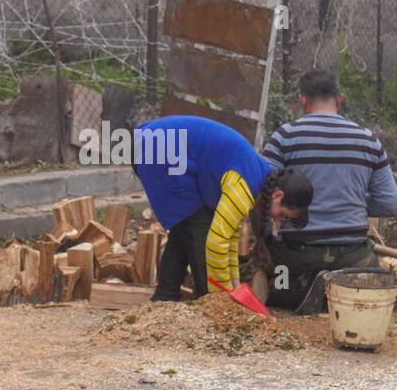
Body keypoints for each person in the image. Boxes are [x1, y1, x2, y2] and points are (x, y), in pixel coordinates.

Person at [261, 69, 397, 312]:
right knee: (369, 274)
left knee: (267, 276)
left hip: (298, 251)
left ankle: (300, 288)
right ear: (340, 99)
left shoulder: (284, 137)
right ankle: (348, 285)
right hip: (353, 253)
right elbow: (390, 204)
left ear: (303, 99)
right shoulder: (369, 140)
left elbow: (263, 192)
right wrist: (353, 200)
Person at [133, 115, 312, 302]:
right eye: (281, 215)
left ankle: (165, 296)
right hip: (156, 146)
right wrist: (224, 300)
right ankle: (209, 301)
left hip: (157, 143)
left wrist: (235, 283)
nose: (277, 220)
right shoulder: (244, 186)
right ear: (278, 196)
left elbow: (231, 236)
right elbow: (217, 242)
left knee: (185, 228)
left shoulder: (257, 177)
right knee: (200, 231)